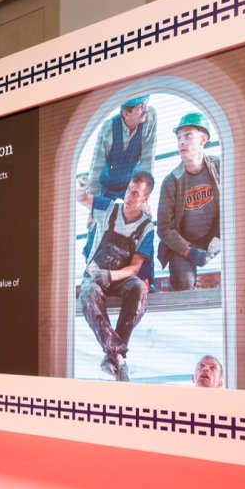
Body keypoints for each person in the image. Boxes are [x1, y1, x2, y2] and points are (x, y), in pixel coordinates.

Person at [79, 172, 155, 382]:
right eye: (129, 189)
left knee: (139, 288)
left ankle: (111, 355)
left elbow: (134, 267)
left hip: (119, 277)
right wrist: (82, 185)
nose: (129, 196)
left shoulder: (146, 228)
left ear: (145, 198)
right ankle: (118, 357)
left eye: (136, 193)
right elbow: (82, 198)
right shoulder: (109, 207)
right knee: (88, 293)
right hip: (95, 275)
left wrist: (110, 275)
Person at [80, 94, 157, 260]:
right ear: (126, 113)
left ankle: (147, 279)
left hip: (132, 184)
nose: (145, 109)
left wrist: (143, 201)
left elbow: (147, 160)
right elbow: (96, 168)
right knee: (96, 223)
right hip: (107, 185)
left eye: (145, 104)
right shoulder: (108, 129)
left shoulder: (150, 117)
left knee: (145, 220)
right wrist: (94, 208)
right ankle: (90, 265)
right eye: (140, 107)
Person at [157, 111, 221, 291]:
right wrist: (189, 252)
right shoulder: (171, 182)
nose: (181, 142)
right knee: (183, 283)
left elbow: (235, 210)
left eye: (188, 136)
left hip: (216, 237)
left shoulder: (220, 167)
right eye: (179, 138)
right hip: (184, 244)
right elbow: (164, 228)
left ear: (203, 139)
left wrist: (214, 248)